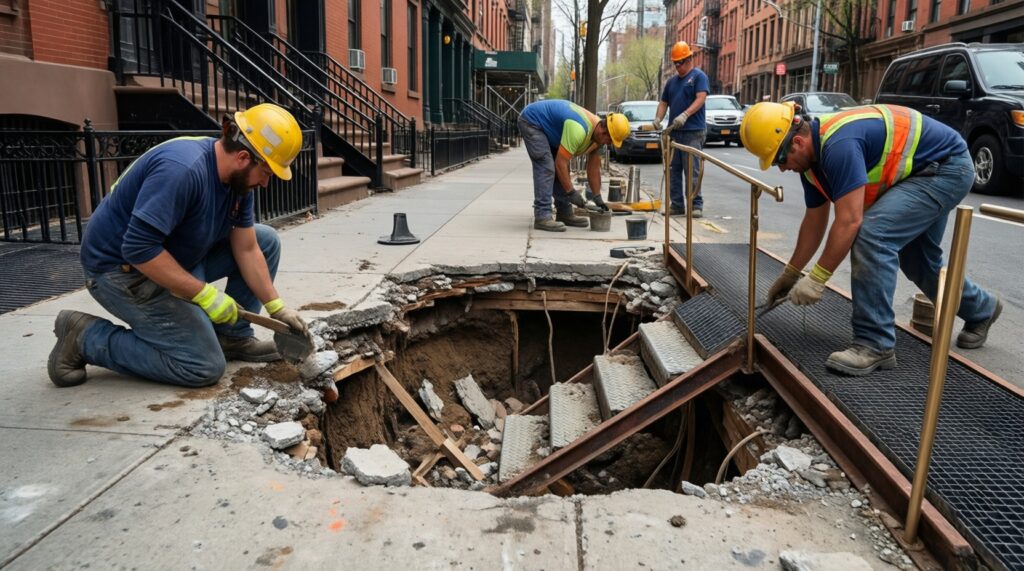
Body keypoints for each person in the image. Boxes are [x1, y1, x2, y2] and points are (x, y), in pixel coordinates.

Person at [48, 103, 310, 388]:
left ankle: (233, 338)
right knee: (203, 365)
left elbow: (247, 247)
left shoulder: (238, 180)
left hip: (171, 254)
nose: (266, 182)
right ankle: (83, 337)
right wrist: (205, 295)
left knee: (265, 239)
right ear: (244, 157)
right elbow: (138, 250)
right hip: (121, 272)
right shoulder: (181, 170)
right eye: (268, 172)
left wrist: (277, 308)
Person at [741, 101, 1001, 376]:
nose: (781, 169)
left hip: (945, 168)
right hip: (922, 170)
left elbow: (850, 220)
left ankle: (874, 344)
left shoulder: (838, 145)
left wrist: (817, 279)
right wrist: (791, 274)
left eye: (780, 159)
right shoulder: (811, 164)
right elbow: (814, 223)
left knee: (872, 237)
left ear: (797, 141)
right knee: (918, 261)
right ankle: (981, 309)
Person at [518, 99, 630, 232]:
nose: (609, 144)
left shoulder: (598, 139)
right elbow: (561, 164)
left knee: (562, 170)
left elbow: (593, 169)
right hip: (533, 122)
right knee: (547, 167)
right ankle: (542, 216)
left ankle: (564, 212)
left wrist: (597, 197)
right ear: (603, 130)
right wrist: (571, 192)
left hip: (549, 129)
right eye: (610, 140)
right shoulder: (578, 129)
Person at [652, 41, 709, 218]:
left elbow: (701, 98)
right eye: (675, 63)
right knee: (673, 170)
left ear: (689, 58)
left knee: (692, 170)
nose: (678, 66)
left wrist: (685, 115)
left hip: (693, 131)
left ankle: (695, 204)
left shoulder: (698, 77)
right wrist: (658, 118)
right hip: (675, 133)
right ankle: (677, 204)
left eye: (681, 62)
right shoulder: (672, 82)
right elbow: (664, 102)